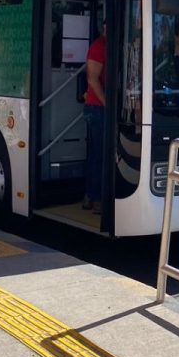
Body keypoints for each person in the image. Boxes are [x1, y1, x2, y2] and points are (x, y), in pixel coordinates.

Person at [83, 23, 106, 214]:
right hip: (97, 108)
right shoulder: (99, 46)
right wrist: (108, 104)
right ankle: (97, 199)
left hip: (98, 107)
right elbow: (92, 79)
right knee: (101, 155)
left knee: (96, 155)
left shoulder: (111, 45)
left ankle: (90, 196)